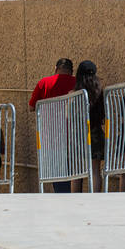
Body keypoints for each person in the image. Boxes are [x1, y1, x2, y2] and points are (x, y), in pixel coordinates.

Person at [29, 59, 76, 193]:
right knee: (75, 171)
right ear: (71, 70)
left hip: (51, 135)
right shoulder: (76, 82)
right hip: (72, 134)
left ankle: (61, 197)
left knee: (58, 173)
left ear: (55, 68)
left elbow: (31, 107)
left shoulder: (44, 82)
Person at [73, 61, 105, 192]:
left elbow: (70, 116)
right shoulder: (99, 92)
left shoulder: (75, 93)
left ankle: (74, 200)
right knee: (95, 170)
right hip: (96, 132)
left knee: (76, 171)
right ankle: (95, 198)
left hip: (79, 134)